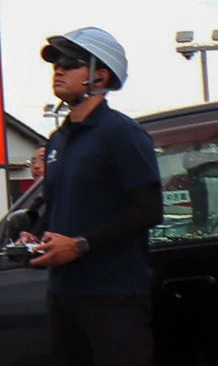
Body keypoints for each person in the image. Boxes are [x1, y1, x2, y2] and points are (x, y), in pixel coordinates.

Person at [22, 26, 162, 366]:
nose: (59, 69)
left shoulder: (123, 134)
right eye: (55, 62)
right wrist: (35, 235)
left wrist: (81, 244)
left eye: (70, 62)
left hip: (113, 296)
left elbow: (148, 210)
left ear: (99, 77)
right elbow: (57, 207)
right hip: (63, 293)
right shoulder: (58, 139)